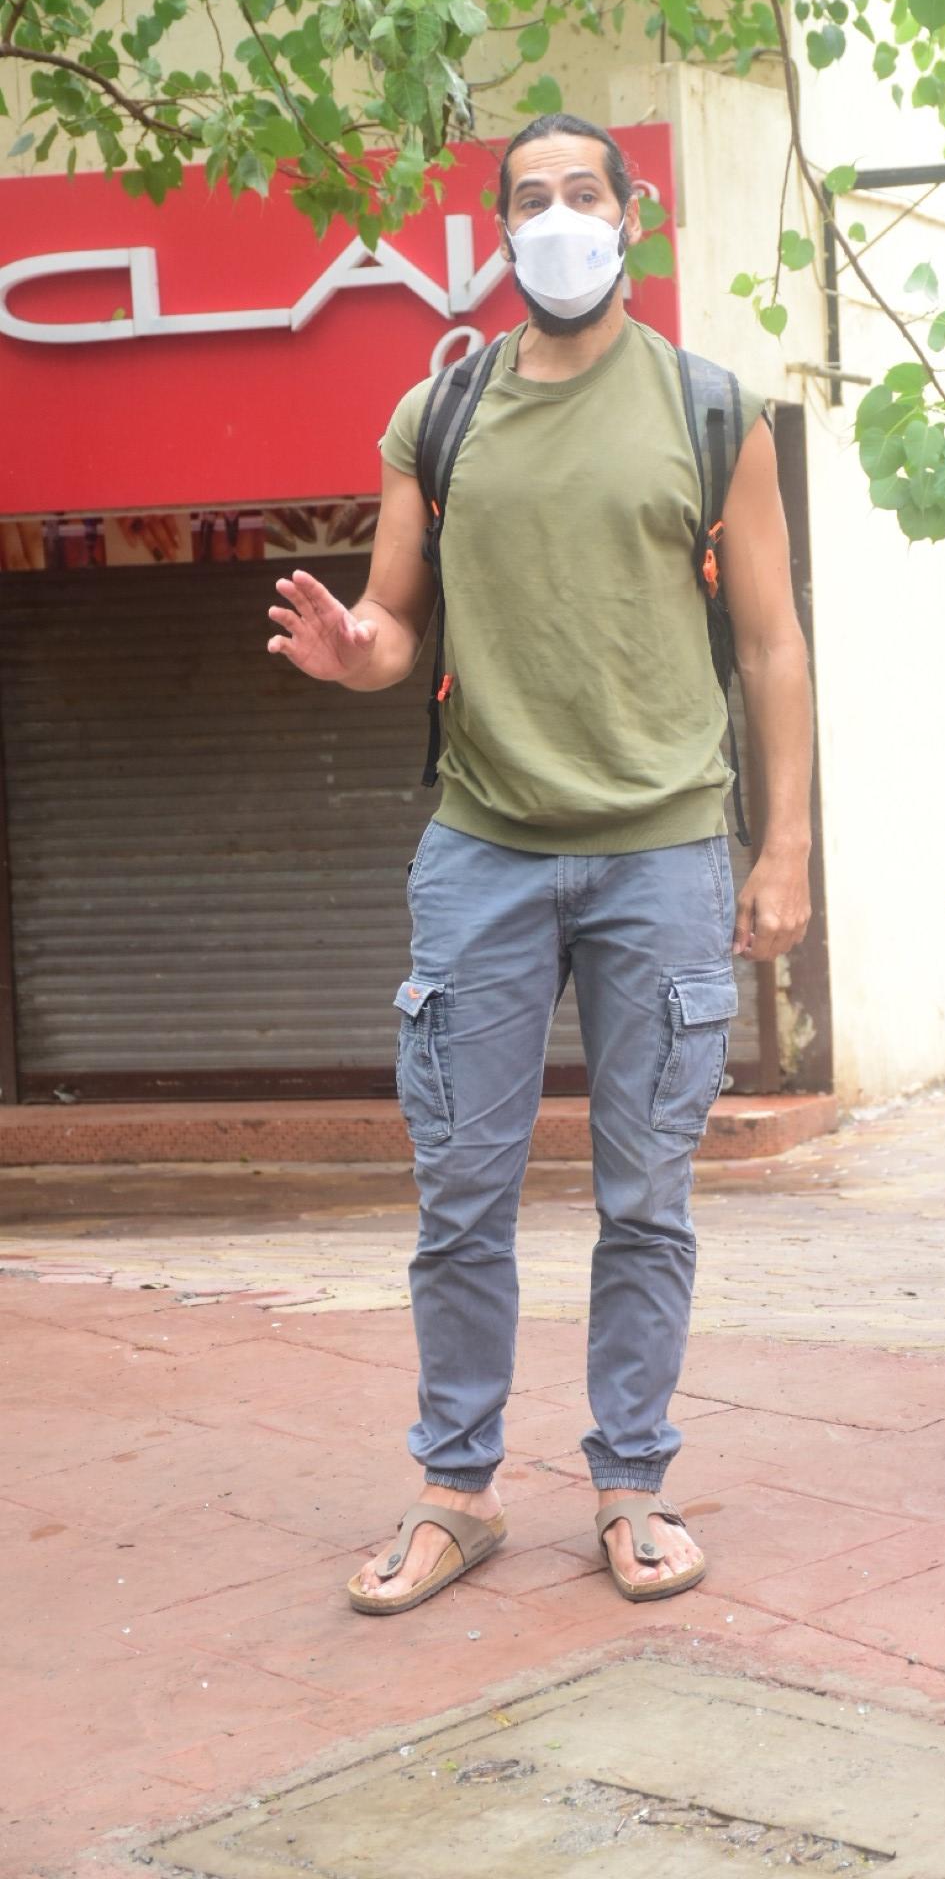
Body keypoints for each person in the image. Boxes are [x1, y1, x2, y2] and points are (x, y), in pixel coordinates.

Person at [266, 113, 813, 1615]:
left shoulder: (709, 409)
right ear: (497, 231)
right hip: (483, 853)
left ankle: (631, 1487)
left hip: (664, 856)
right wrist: (349, 652)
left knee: (646, 1198)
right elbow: (391, 630)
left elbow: (768, 640)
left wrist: (787, 846)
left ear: (630, 218)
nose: (558, 217)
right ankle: (458, 1490)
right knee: (461, 1193)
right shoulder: (436, 416)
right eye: (530, 198)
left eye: (584, 192)